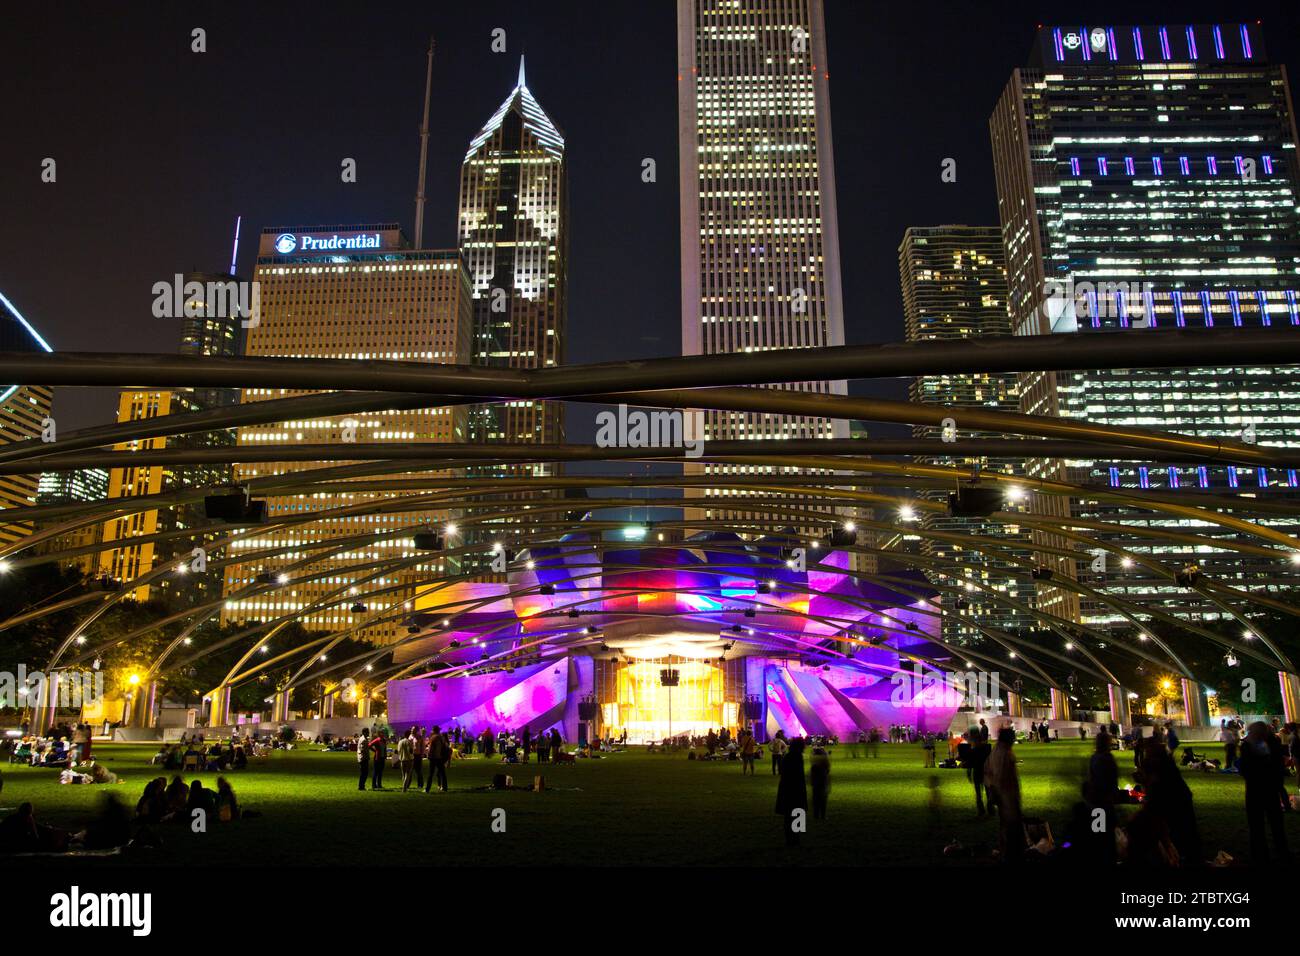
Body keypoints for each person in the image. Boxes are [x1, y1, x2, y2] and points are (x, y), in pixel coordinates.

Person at [1238, 721, 1289, 864]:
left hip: (1256, 791)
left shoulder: (1249, 746)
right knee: (1275, 825)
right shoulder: (1273, 744)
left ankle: (1260, 854)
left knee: (1257, 826)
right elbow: (1279, 767)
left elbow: (1245, 769)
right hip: (1270, 790)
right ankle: (1281, 852)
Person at [984, 727, 1025, 863]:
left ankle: (1005, 851)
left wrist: (991, 793)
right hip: (1007, 794)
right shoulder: (1004, 753)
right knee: (1011, 825)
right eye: (1013, 738)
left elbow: (988, 772)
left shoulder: (997, 750)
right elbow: (1000, 775)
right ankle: (1011, 854)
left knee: (1004, 825)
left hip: (1002, 793)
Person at [775, 738, 808, 845]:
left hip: (787, 790)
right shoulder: (797, 757)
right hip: (795, 790)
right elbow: (798, 776)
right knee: (797, 813)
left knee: (789, 816)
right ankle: (795, 839)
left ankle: (791, 839)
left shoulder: (788, 756)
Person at [967, 734, 991, 817]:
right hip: (985, 773)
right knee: (987, 793)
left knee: (979, 794)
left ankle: (982, 811)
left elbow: (970, 764)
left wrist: (969, 774)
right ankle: (990, 810)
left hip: (978, 773)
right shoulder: (987, 750)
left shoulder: (973, 751)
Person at [809, 745, 831, 820]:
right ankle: (823, 815)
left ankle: (816, 815)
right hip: (822, 780)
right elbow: (828, 769)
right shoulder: (824, 759)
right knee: (823, 799)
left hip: (815, 781)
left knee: (815, 799)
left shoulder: (813, 760)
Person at [426, 726, 450, 792]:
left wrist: (428, 756)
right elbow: (445, 747)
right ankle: (445, 788)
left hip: (433, 757)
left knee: (431, 774)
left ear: (433, 730)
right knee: (443, 773)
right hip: (440, 757)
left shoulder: (433, 738)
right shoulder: (441, 737)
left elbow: (431, 749)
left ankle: (427, 789)